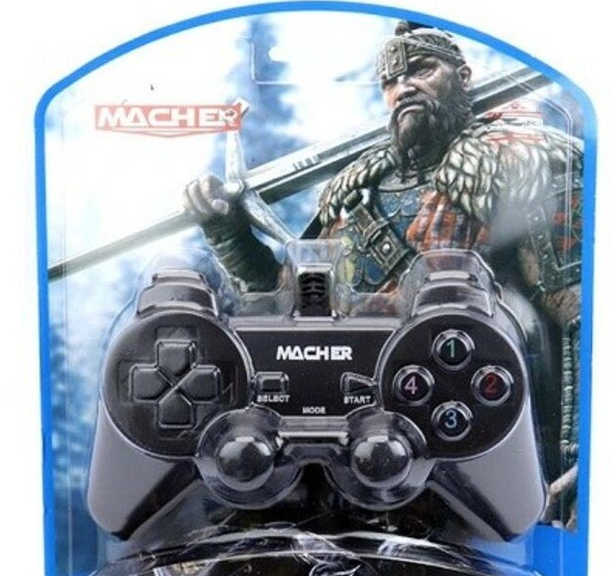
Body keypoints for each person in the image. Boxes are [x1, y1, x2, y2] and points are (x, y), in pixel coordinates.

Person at [182, 21, 582, 526]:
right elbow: (290, 312)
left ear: (462, 77)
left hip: (470, 444)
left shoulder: (517, 165)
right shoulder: (355, 191)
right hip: (347, 453)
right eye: (391, 81)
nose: (404, 88)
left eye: (422, 70)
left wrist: (578, 460)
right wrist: (229, 234)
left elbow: (578, 316)